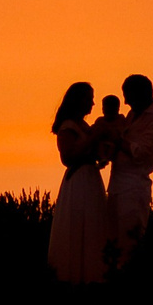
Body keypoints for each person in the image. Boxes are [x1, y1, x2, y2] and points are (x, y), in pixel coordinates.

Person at [45, 82, 114, 284]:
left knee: (93, 226)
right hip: (79, 182)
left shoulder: (83, 126)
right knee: (79, 226)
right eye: (89, 98)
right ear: (79, 100)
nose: (93, 103)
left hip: (91, 179)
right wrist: (95, 138)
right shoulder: (68, 127)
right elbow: (68, 157)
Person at [106, 73, 153, 263]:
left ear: (141, 94)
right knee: (112, 243)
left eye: (128, 96)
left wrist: (117, 140)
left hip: (134, 189)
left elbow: (142, 154)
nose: (125, 102)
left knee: (129, 244)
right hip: (116, 186)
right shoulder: (132, 115)